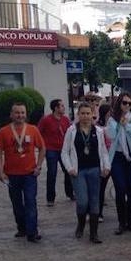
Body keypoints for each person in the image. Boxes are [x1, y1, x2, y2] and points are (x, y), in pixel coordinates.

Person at [0, 102, 46, 243]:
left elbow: (42, 148)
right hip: (12, 174)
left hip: (29, 173)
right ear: (11, 114)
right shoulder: (3, 131)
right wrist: (0, 172)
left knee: (30, 201)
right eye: (17, 112)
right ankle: (22, 227)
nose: (20, 115)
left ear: (26, 114)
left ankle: (32, 232)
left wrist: (39, 166)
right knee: (17, 203)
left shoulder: (33, 129)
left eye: (22, 112)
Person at [61, 102, 110, 244]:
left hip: (95, 169)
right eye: (82, 113)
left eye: (88, 113)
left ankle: (94, 233)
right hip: (78, 170)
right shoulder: (71, 131)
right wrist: (69, 167)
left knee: (95, 201)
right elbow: (65, 152)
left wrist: (106, 166)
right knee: (82, 201)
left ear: (92, 115)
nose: (85, 116)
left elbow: (103, 151)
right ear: (78, 115)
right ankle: (81, 223)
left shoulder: (99, 131)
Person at [107, 92, 131, 235]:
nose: (127, 106)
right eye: (124, 103)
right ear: (119, 104)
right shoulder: (112, 119)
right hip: (118, 157)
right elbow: (110, 136)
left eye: (129, 103)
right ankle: (121, 222)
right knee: (120, 189)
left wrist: (127, 126)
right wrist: (118, 126)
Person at [38, 99, 73, 206]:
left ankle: (70, 193)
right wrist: (42, 146)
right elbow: (38, 132)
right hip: (51, 149)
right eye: (61, 106)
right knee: (52, 173)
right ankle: (50, 198)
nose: (63, 107)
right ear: (56, 108)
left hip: (63, 150)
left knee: (68, 171)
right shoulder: (46, 120)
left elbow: (70, 132)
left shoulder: (66, 119)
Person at [95, 105, 112, 223]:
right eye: (109, 112)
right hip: (102, 160)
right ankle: (98, 212)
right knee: (101, 187)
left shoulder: (114, 124)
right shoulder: (97, 126)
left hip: (114, 158)